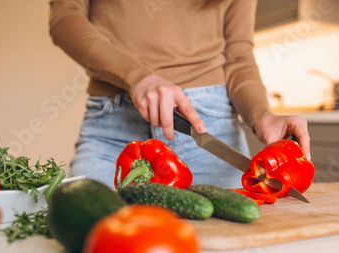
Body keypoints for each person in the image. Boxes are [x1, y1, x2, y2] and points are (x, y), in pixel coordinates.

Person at [49, 0, 310, 189]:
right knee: (87, 241)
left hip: (209, 123)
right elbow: (65, 17)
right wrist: (135, 76)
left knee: (222, 246)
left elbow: (239, 57)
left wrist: (261, 113)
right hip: (112, 127)